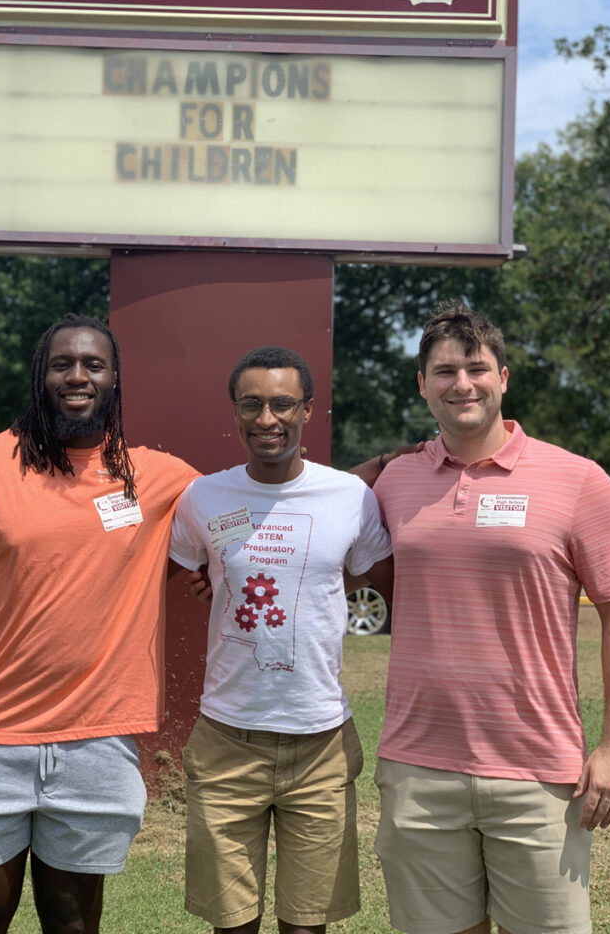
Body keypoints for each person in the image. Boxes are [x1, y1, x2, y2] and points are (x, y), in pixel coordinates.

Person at [0, 313, 200, 934]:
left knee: (71, 920)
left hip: (98, 739)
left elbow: (265, 503)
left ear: (115, 379)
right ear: (41, 374)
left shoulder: (158, 478)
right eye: (62, 363)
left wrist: (383, 467)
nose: (77, 375)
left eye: (93, 364)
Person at [370, 301, 610, 934]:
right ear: (422, 385)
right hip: (418, 765)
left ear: (504, 378)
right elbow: (311, 510)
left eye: (477, 368)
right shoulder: (394, 482)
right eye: (445, 371)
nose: (463, 383)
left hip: (538, 768)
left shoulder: (578, 480)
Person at [169, 345, 394, 934]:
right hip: (226, 740)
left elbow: (370, 572)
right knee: (231, 923)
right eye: (252, 404)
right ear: (235, 412)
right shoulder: (204, 498)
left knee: (307, 925)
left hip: (320, 743)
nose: (267, 418)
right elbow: (188, 567)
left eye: (282, 404)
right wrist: (214, 579)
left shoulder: (350, 497)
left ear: (308, 410)